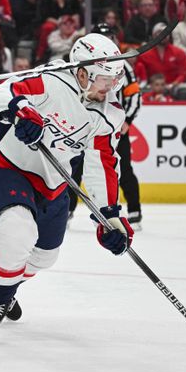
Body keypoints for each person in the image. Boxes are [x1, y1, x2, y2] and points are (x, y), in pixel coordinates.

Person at [0, 32, 133, 343]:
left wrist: (108, 217)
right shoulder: (50, 79)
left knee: (45, 256)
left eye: (114, 80)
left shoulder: (109, 115)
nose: (110, 88)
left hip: (53, 183)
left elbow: (102, 165)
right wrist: (21, 110)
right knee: (19, 230)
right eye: (104, 80)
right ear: (82, 72)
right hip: (8, 167)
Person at [69, 23, 143, 229]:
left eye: (111, 36)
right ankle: (67, 210)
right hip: (85, 125)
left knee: (122, 167)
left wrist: (127, 120)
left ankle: (134, 210)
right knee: (74, 169)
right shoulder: (82, 66)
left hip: (114, 125)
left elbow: (134, 95)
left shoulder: (123, 66)